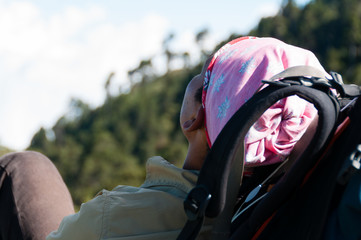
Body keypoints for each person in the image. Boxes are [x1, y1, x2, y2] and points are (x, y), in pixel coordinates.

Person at [0, 37, 328, 240]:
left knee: (24, 166)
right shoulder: (283, 210)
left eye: (201, 79)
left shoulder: (112, 217)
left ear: (195, 116)